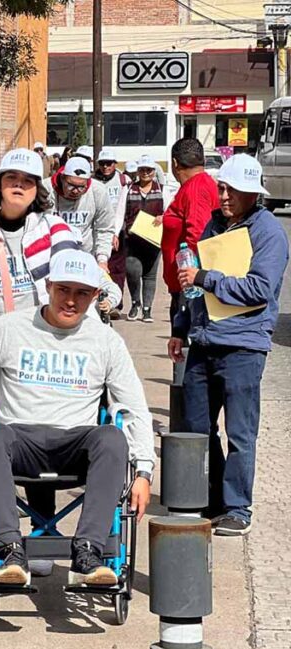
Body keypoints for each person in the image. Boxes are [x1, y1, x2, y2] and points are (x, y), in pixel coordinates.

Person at [0, 249, 154, 586]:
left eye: (81, 293)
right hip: (18, 440)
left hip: (75, 443)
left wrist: (143, 471)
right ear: (49, 286)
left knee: (112, 437)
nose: (70, 301)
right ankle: (10, 549)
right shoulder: (8, 328)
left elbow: (134, 405)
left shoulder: (106, 341)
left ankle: (88, 551)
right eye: (63, 289)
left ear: (95, 295)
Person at [170, 154, 290, 536]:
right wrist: (180, 327)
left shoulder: (269, 233)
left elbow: (259, 289)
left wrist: (206, 277)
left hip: (243, 347)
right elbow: (192, 286)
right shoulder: (213, 226)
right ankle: (211, 499)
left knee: (240, 433)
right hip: (204, 341)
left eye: (233, 190)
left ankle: (238, 508)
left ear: (253, 194)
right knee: (197, 428)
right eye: (222, 188)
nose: (224, 196)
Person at [0, 148, 118, 356]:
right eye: (11, 177)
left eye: (28, 180)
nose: (18, 184)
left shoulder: (55, 231)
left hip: (44, 351)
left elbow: (72, 287)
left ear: (37, 189)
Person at [160, 138, 220, 329]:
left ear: (175, 163)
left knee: (183, 343)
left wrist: (191, 284)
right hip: (185, 285)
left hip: (189, 289)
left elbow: (198, 236)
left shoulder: (196, 188)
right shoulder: (199, 184)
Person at [116, 155, 167, 322]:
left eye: (149, 170)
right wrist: (115, 234)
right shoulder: (129, 189)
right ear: (137, 171)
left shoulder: (162, 190)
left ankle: (147, 309)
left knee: (150, 275)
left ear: (154, 171)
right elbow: (120, 213)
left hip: (153, 240)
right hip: (132, 239)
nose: (145, 173)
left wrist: (163, 217)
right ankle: (135, 302)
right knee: (132, 271)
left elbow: (170, 211)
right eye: (142, 170)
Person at [48, 156, 115, 269]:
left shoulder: (98, 191)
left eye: (81, 187)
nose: (75, 191)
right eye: (71, 185)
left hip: (84, 257)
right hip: (52, 258)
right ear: (63, 178)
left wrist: (102, 259)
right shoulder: (46, 190)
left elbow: (104, 228)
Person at [94, 148, 129, 316]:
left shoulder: (123, 181)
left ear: (115, 164)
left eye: (109, 163)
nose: (106, 167)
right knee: (99, 267)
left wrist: (115, 232)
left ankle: (115, 303)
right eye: (102, 164)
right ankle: (98, 302)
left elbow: (123, 209)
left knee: (117, 269)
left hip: (117, 230)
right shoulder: (92, 181)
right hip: (98, 230)